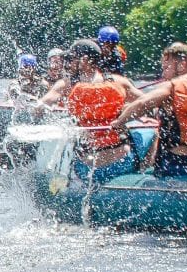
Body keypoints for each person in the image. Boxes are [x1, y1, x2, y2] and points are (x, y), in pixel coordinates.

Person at [112, 42, 187, 177]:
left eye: (166, 67)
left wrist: (118, 122)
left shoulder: (171, 87)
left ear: (182, 65)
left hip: (178, 164)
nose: (163, 73)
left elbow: (141, 104)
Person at [52, 39, 139, 181]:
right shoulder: (118, 81)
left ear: (85, 60)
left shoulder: (66, 85)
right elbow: (147, 103)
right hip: (122, 162)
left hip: (86, 169)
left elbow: (42, 105)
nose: (68, 63)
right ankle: (144, 170)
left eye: (72, 58)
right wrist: (125, 112)